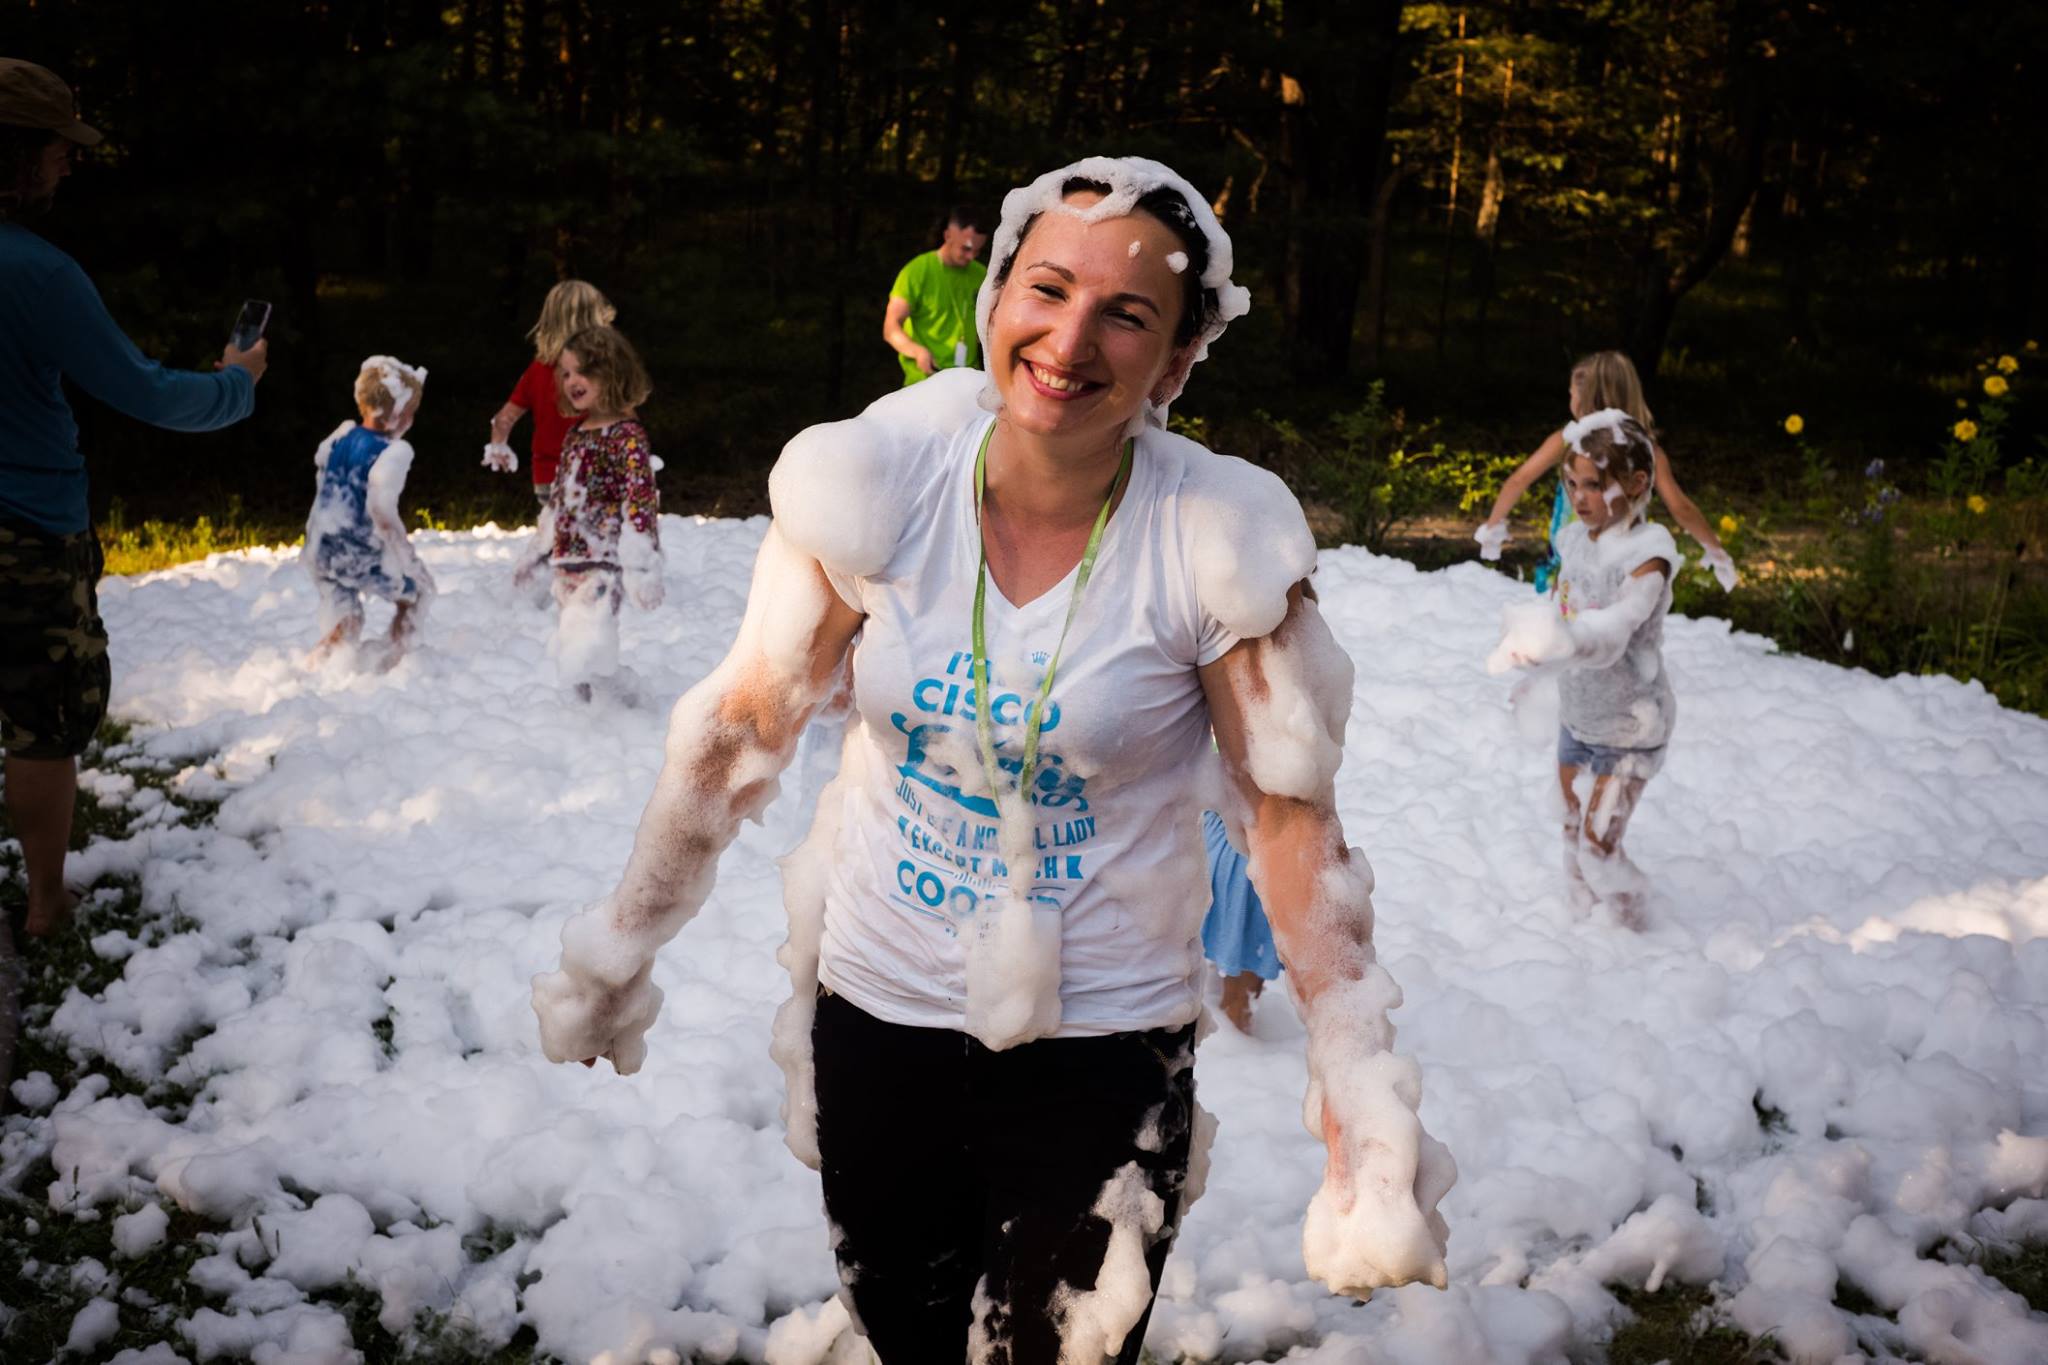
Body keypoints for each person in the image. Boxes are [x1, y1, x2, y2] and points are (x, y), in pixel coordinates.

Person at [533, 156, 1453, 1364]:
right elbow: (738, 731)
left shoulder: (1212, 544)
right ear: (995, 297)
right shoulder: (879, 484)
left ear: (1176, 359)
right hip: (878, 1013)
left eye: (1126, 314)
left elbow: (1288, 824)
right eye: (1048, 289)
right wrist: (616, 949)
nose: (1069, 341)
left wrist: (1355, 1086)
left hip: (1104, 1044)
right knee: (907, 1337)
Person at [0, 59, 264, 939]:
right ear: (15, 153)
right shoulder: (36, 271)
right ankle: (46, 904)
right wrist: (237, 382)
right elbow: (148, 393)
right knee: (40, 725)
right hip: (28, 534)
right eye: (57, 147)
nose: (68, 163)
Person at [1487, 409, 1676, 930]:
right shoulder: (1573, 540)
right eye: (1571, 484)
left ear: (1637, 483)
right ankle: (1581, 930)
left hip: (1629, 729)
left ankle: (1639, 931)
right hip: (1579, 716)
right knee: (1571, 826)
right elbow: (1563, 609)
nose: (1579, 497)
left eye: (1593, 484)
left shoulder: (1649, 556)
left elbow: (1614, 631)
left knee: (1598, 847)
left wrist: (1560, 644)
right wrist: (1537, 674)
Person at [1474, 350, 1735, 594]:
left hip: (1573, 553)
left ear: (1583, 397)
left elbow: (1519, 480)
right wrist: (1717, 552)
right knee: (1618, 613)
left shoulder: (1569, 440)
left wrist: (1492, 529)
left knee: (1566, 613)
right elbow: (1681, 508)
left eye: (1571, 394)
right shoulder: (1646, 449)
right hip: (1625, 556)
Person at [543, 325, 663, 695]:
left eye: (582, 371)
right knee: (572, 642)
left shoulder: (627, 435)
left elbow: (640, 498)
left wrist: (642, 566)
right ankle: (595, 706)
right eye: (565, 374)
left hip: (606, 560)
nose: (571, 381)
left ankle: (615, 703)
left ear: (610, 372)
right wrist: (540, 546)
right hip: (568, 558)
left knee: (589, 643)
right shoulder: (575, 433)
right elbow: (560, 498)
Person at [305, 357, 432, 667]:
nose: (411, 420)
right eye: (411, 413)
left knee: (348, 620)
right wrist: (409, 561)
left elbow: (324, 482)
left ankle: (314, 668)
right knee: (417, 593)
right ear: (398, 412)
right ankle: (393, 664)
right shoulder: (394, 451)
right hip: (357, 553)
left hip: (321, 549)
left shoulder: (341, 437)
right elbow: (381, 511)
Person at [483, 279, 617, 502]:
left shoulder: (538, 369)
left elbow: (503, 419)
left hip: (548, 477)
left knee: (554, 523)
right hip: (596, 474)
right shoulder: (603, 369)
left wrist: (498, 447)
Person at [882, 204, 988, 385]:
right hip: (925, 382)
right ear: (948, 236)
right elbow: (890, 329)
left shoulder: (981, 274)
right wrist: (917, 352)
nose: (971, 256)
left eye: (977, 251)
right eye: (966, 248)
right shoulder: (917, 271)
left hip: (966, 381)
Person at [1201, 809, 1282, 1032]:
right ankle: (1234, 1034)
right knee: (1240, 995)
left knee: (1225, 959)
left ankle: (1229, 1036)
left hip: (1215, 834)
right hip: (1251, 856)